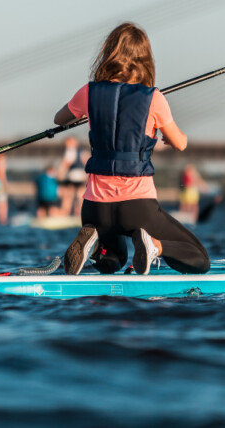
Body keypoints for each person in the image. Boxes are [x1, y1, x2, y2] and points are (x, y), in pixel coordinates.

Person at [54, 22, 210, 275]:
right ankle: (154, 246)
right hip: (137, 208)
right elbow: (180, 143)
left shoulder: (88, 92)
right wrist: (170, 137)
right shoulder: (154, 98)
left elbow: (59, 119)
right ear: (145, 59)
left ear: (109, 55)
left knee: (113, 261)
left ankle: (94, 247)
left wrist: (89, 110)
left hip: (95, 209)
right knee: (199, 259)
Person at [58, 136, 88, 217]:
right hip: (81, 175)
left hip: (72, 175)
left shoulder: (70, 150)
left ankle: (65, 213)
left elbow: (67, 163)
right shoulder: (82, 150)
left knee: (68, 196)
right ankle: (79, 213)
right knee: (80, 195)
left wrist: (60, 174)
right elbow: (86, 162)